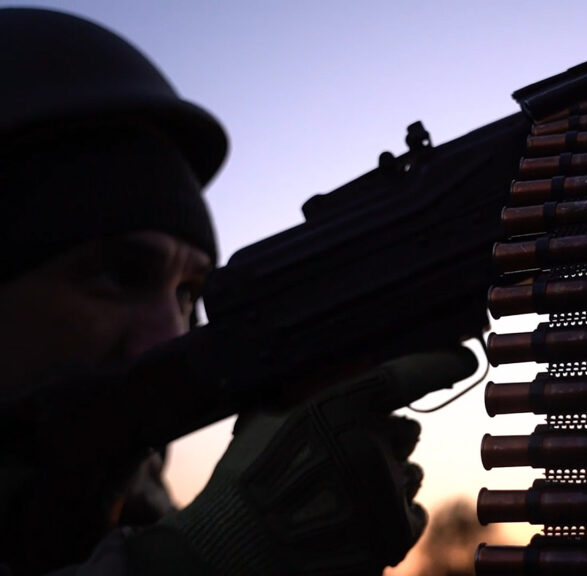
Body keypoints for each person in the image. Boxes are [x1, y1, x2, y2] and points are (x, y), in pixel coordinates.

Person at [0, 8, 474, 575]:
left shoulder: (124, 518)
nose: (170, 336)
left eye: (188, 294)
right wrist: (195, 558)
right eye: (119, 277)